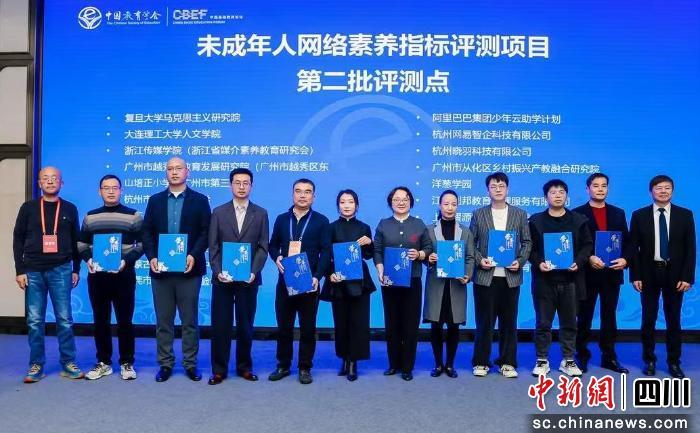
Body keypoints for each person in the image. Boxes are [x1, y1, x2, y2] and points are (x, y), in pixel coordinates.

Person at [142, 157, 211, 382]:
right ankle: (165, 364)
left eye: (178, 168)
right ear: (165, 173)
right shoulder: (155, 200)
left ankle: (190, 364)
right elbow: (147, 232)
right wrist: (152, 257)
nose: (174, 172)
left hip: (189, 270)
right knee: (164, 321)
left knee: (189, 321)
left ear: (187, 172)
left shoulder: (200, 200)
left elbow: (206, 232)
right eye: (170, 169)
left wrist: (193, 255)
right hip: (161, 271)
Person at [13, 166, 84, 382]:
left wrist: (76, 269)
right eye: (46, 178)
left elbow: (76, 240)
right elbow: (17, 239)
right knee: (35, 321)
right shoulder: (28, 208)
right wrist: (20, 270)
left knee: (65, 319)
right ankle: (36, 364)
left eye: (54, 178)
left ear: (61, 183)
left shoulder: (70, 208)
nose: (50, 181)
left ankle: (68, 363)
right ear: (39, 183)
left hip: (61, 269)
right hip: (33, 270)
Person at [77, 174, 143, 380]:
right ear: (100, 191)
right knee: (100, 321)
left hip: (124, 275)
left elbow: (143, 244)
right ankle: (104, 362)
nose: (111, 191)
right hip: (98, 277)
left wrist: (127, 261)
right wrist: (88, 260)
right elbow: (81, 244)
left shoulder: (133, 216)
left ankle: (126, 362)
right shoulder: (90, 217)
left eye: (115, 187)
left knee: (125, 321)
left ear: (121, 190)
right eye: (106, 188)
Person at [207, 168, 269, 385]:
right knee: (220, 325)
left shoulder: (260, 213)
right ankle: (219, 370)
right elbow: (213, 247)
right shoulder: (218, 212)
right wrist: (218, 272)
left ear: (251, 186)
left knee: (245, 325)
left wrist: (253, 271)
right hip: (223, 280)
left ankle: (244, 367)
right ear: (230, 185)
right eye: (237, 182)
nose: (241, 187)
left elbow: (263, 247)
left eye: (246, 183)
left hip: (248, 280)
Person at [630, 175, 695, 379]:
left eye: (667, 188)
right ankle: (649, 360)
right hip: (648, 273)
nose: (663, 191)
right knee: (648, 318)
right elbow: (633, 248)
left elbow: (691, 249)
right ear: (651, 191)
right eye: (659, 188)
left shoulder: (685, 215)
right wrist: (635, 275)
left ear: (672, 191)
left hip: (675, 274)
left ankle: (674, 362)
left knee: (673, 319)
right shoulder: (639, 215)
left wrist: (687, 277)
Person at [268, 178, 331, 385]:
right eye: (298, 191)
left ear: (314, 196)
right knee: (283, 327)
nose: (302, 195)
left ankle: (305, 367)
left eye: (307, 191)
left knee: (307, 328)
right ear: (292, 194)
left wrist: (317, 277)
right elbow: (272, 245)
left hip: (309, 282)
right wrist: (276, 257)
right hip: (285, 281)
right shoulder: (281, 219)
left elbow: (326, 251)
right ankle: (283, 365)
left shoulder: (321, 221)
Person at [470, 172, 531, 378]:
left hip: (510, 277)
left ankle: (507, 362)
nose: (498, 189)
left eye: (501, 186)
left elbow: (527, 242)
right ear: (487, 190)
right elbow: (471, 243)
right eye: (493, 186)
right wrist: (480, 260)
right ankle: (481, 362)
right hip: (485, 277)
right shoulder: (479, 214)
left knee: (509, 322)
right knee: (484, 322)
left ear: (507, 189)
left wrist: (519, 261)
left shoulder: (519, 214)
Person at [528, 179, 593, 377]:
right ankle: (542, 359)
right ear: (546, 197)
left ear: (567, 196)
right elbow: (529, 248)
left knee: (570, 323)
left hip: (570, 280)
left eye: (561, 192)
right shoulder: (535, 221)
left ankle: (568, 360)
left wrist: (579, 262)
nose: (557, 195)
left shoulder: (578, 220)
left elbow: (587, 245)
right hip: (544, 281)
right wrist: (538, 262)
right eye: (553, 192)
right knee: (543, 323)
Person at [573, 173, 632, 374]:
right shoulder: (577, 213)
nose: (600, 189)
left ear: (607, 188)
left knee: (609, 317)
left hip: (612, 273)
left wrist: (625, 260)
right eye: (596, 185)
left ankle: (609, 357)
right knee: (584, 316)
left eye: (604, 185)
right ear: (587, 189)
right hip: (587, 274)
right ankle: (581, 355)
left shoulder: (618, 213)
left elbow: (627, 242)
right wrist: (589, 257)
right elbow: (576, 244)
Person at [374, 186, 432, 381]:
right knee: (392, 323)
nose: (401, 202)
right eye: (396, 199)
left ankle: (407, 367)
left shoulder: (419, 224)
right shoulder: (383, 224)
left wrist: (420, 254)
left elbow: (428, 247)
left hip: (412, 280)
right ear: (391, 202)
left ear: (410, 202)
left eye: (405, 199)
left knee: (410, 324)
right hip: (389, 281)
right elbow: (377, 250)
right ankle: (393, 364)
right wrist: (380, 270)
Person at [322, 189, 375, 381]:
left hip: (359, 281)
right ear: (338, 206)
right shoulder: (330, 228)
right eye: (343, 202)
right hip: (338, 280)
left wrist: (370, 243)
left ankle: (354, 361)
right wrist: (329, 274)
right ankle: (344, 358)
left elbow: (368, 255)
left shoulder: (364, 227)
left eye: (350, 202)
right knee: (341, 322)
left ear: (357, 206)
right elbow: (325, 255)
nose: (346, 205)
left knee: (358, 322)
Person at [423, 190, 474, 378]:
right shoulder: (429, 230)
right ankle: (438, 364)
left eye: (453, 204)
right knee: (436, 326)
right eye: (446, 204)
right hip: (436, 285)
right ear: (440, 205)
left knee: (454, 326)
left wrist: (468, 275)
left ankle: (450, 365)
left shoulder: (465, 231)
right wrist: (429, 258)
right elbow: (424, 254)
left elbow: (470, 257)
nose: (450, 208)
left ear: (457, 206)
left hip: (457, 286)